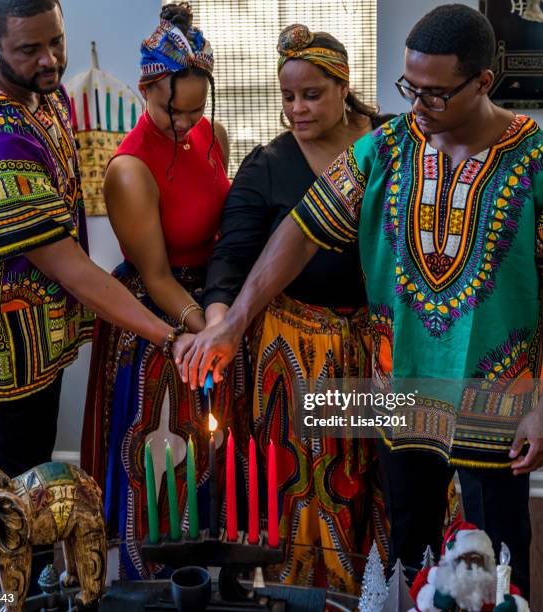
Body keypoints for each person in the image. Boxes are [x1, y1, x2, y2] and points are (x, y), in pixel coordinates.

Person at [178, 4, 543, 598]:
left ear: (483, 81)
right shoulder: (386, 149)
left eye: (435, 94)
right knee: (409, 553)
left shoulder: (534, 161)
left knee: (496, 565)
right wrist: (233, 320)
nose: (417, 105)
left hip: (497, 404)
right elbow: (299, 231)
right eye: (410, 88)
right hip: (397, 394)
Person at [0, 0, 179, 489]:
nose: (50, 60)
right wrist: (168, 336)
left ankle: (36, 567)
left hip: (32, 346)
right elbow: (67, 266)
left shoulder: (45, 95)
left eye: (56, 41)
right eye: (29, 49)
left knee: (35, 487)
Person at [201, 23, 390, 591]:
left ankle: (385, 589)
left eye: (312, 94)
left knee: (383, 471)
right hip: (299, 354)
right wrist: (219, 326)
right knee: (314, 483)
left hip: (380, 346)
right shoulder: (268, 166)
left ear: (343, 85)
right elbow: (231, 259)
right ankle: (312, 593)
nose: (297, 109)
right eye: (287, 97)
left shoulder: (390, 143)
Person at [80, 3, 248, 579]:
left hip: (214, 306)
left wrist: (227, 317)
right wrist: (210, 333)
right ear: (146, 87)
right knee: (163, 461)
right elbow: (155, 276)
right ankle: (156, 583)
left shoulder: (211, 133)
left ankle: (220, 578)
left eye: (197, 110)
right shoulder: (128, 170)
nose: (186, 124)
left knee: (218, 454)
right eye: (173, 112)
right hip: (164, 320)